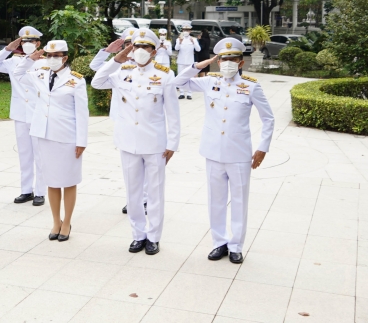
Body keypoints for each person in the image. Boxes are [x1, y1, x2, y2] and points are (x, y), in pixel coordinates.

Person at [173, 38, 274, 264]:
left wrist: (262, 148)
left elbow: (268, 118)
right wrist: (199, 65)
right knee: (216, 201)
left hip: (239, 154)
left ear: (241, 62)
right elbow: (177, 83)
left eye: (232, 59)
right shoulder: (209, 82)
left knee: (239, 201)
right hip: (213, 153)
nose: (228, 63)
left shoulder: (251, 86)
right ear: (218, 62)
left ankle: (236, 245)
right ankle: (219, 242)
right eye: (223, 59)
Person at [91, 30, 180, 255]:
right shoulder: (122, 71)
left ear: (155, 50)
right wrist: (116, 59)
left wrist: (172, 144)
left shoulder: (165, 75)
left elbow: (173, 113)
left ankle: (153, 237)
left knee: (155, 192)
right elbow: (96, 82)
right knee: (132, 192)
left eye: (146, 47)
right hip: (128, 142)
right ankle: (138, 235)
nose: (141, 51)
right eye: (137, 46)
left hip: (155, 144)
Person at [13, 40, 88, 242]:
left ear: (65, 58)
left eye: (56, 56)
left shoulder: (76, 80)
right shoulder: (39, 74)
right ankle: (56, 221)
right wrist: (30, 59)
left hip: (67, 137)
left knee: (69, 181)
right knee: (52, 181)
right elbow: (18, 74)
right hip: (44, 135)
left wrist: (81, 141)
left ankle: (67, 221)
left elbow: (82, 113)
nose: (52, 59)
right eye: (49, 55)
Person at [0, 26, 47, 206]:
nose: (28, 44)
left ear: (38, 43)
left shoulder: (45, 62)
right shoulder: (14, 61)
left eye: (31, 41)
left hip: (39, 113)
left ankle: (40, 191)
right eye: (24, 41)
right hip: (21, 113)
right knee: (24, 154)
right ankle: (26, 190)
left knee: (40, 154)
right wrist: (9, 48)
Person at [90, 32, 146, 215]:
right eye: (127, 44)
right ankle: (133, 199)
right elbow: (95, 69)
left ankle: (144, 199)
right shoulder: (118, 66)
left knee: (146, 162)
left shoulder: (149, 67)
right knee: (130, 163)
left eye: (134, 44)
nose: (131, 48)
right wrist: (108, 52)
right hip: (123, 118)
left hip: (144, 120)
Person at [174, 23, 200, 100]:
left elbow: (198, 49)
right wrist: (180, 42)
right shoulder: (179, 39)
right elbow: (176, 48)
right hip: (181, 61)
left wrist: (194, 42)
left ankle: (189, 93)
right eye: (184, 30)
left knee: (190, 77)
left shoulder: (194, 39)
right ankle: (181, 93)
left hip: (190, 61)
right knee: (180, 77)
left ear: (190, 31)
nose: (186, 31)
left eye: (187, 30)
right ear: (182, 30)